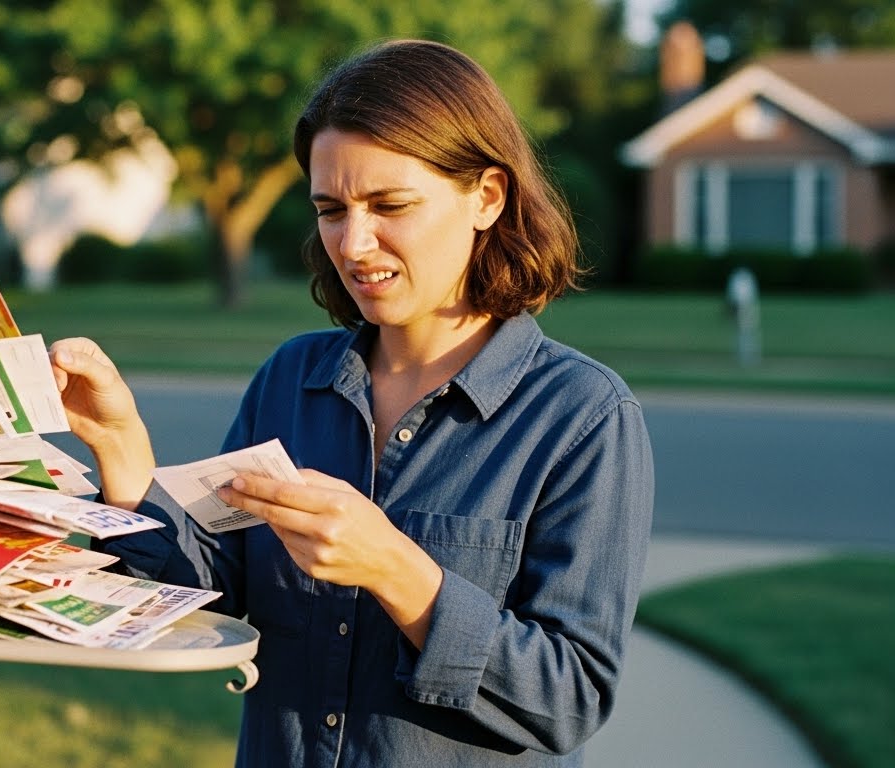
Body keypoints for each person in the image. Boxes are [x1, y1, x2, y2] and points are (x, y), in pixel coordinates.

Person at [50, 39, 653, 768]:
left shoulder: (581, 417)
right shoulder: (290, 378)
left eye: (389, 204)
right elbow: (205, 593)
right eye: (330, 209)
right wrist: (120, 448)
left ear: (486, 197)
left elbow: (569, 699)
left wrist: (396, 570)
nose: (353, 242)